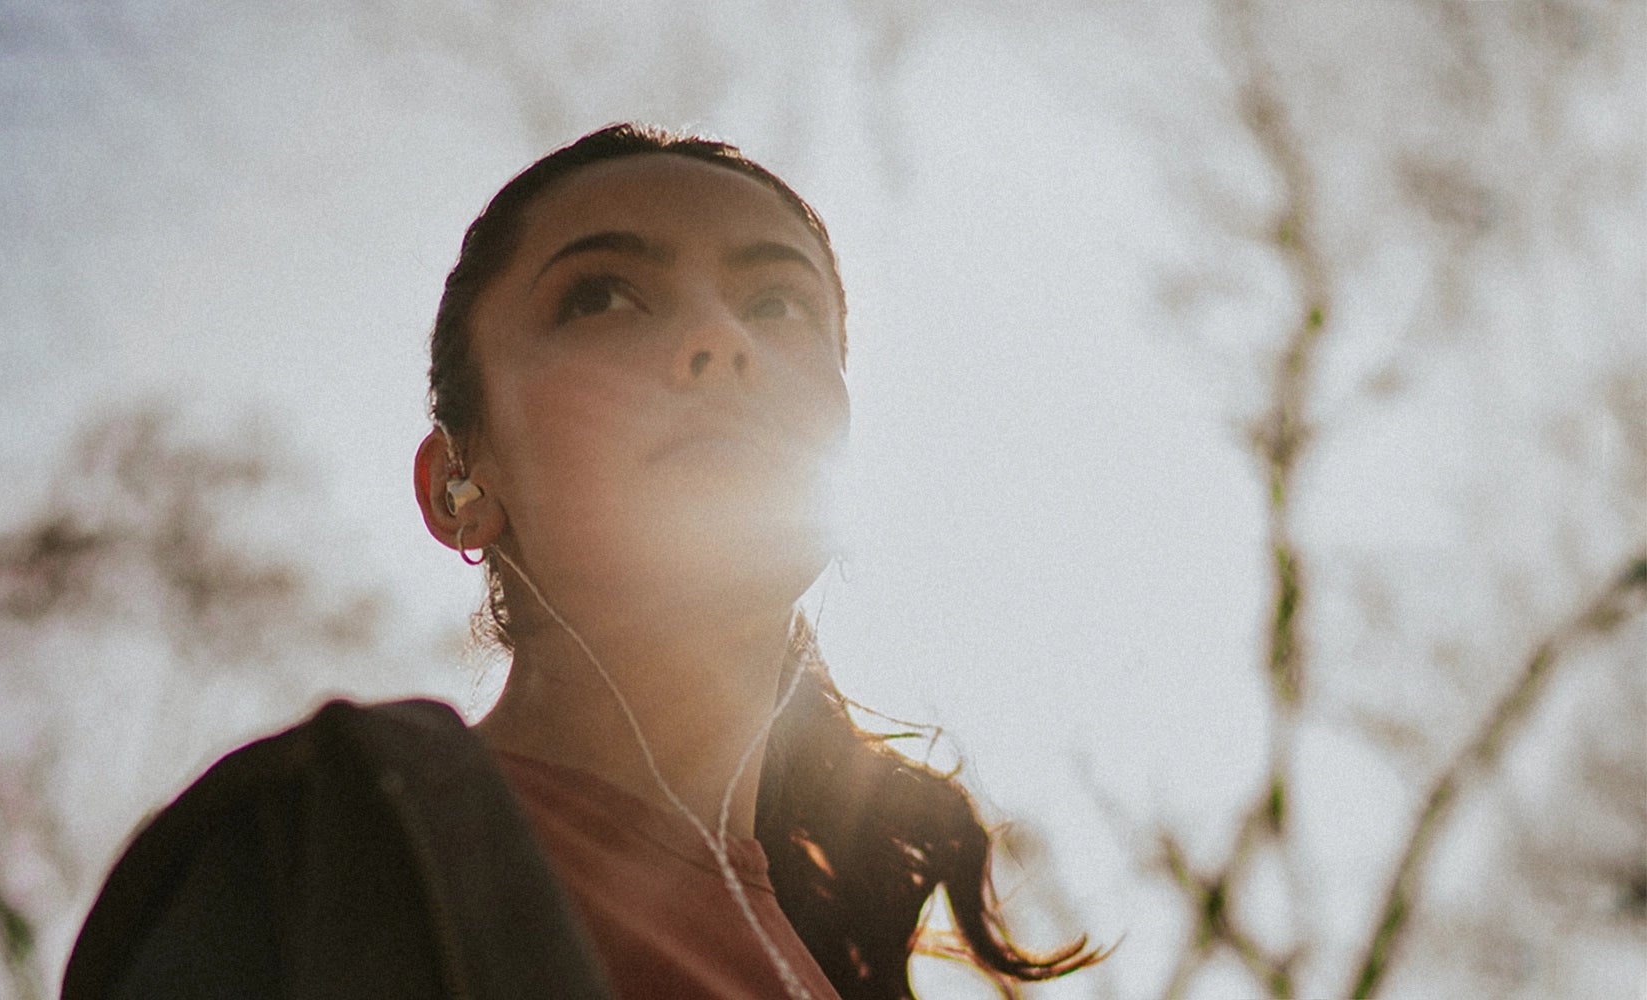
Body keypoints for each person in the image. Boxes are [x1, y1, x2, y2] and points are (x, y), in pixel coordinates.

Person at [61, 123, 1101, 1000]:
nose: (719, 339)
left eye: (778, 305)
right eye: (602, 296)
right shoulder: (333, 839)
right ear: (459, 481)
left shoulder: (834, 967)